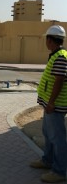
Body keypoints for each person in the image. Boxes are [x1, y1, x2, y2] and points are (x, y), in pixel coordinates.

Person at [30, 25, 67, 183]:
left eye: (46, 38)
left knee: (57, 139)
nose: (45, 41)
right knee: (48, 134)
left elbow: (59, 81)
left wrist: (51, 102)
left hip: (55, 106)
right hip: (49, 105)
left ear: (50, 40)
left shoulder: (60, 57)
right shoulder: (56, 55)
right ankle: (47, 161)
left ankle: (59, 171)